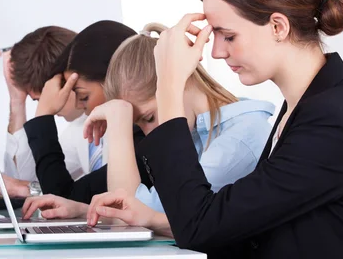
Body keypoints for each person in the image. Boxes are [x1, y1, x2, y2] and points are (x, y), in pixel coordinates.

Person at [87, 0, 343, 258]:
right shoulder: (306, 105)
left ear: (278, 26)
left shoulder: (331, 122)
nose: (218, 52)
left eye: (229, 36)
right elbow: (247, 223)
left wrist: (168, 86)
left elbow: (201, 224)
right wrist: (153, 218)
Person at [21, 22, 274, 221]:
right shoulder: (197, 132)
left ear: (177, 83)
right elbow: (147, 213)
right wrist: (80, 209)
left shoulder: (239, 138)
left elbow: (134, 213)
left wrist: (119, 122)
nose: (150, 135)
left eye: (150, 117)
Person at [22, 20, 153, 204]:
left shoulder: (146, 143)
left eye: (83, 97)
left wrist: (43, 116)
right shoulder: (123, 135)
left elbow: (63, 198)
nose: (80, 107)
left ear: (115, 80)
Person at [0, 26, 89, 198]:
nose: (47, 106)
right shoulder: (77, 129)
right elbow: (27, 179)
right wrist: (17, 102)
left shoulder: (116, 122)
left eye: (40, 100)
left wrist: (44, 114)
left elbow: (89, 196)